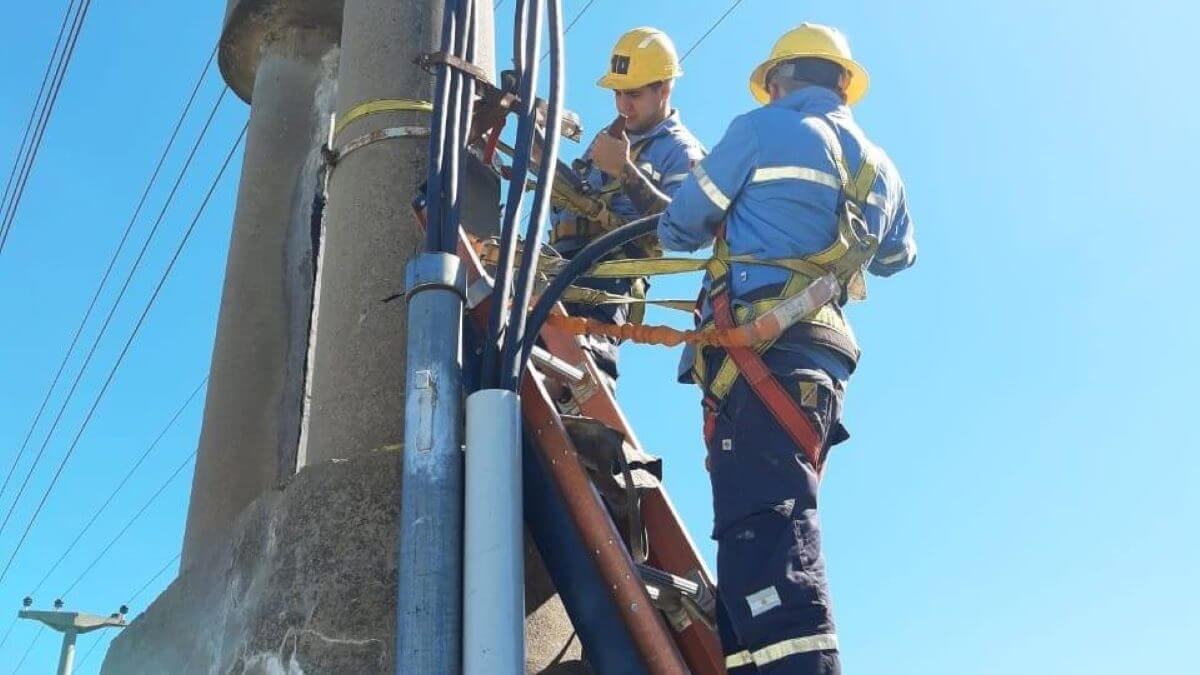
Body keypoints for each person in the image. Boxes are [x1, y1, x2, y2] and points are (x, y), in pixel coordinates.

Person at [657, 23, 917, 673]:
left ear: (779, 81)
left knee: (765, 529)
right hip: (820, 363)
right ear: (841, 85)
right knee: (755, 534)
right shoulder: (880, 166)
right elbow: (898, 256)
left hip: (761, 358)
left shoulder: (760, 130)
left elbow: (681, 224)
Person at [549, 26, 705, 385]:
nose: (622, 104)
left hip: (607, 277)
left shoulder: (680, 151)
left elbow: (682, 228)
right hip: (559, 263)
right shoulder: (608, 138)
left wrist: (626, 171)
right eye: (618, 93)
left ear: (664, 88)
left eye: (633, 94)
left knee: (581, 372)